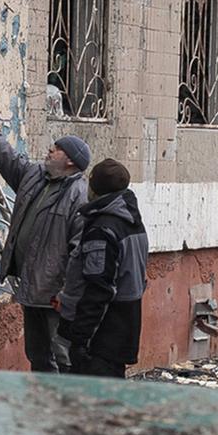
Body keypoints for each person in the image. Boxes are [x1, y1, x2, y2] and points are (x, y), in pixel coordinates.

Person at [0, 86, 89, 372]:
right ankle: (42, 398)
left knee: (62, 357)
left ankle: (65, 400)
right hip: (31, 285)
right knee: (37, 354)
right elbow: (3, 154)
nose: (50, 150)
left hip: (54, 294)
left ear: (70, 160)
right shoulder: (34, 175)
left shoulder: (79, 196)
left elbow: (79, 251)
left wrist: (67, 294)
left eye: (56, 148)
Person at [60, 158, 148, 378]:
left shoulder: (103, 229)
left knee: (92, 394)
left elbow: (99, 289)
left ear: (95, 188)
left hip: (102, 336)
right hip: (124, 327)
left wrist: (81, 339)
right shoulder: (132, 220)